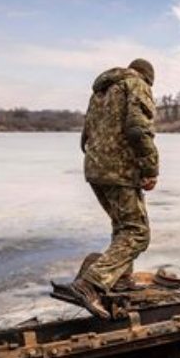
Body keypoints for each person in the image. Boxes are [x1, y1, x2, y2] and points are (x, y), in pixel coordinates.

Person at [66, 58, 159, 319]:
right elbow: (138, 129)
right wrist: (150, 169)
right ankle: (91, 283)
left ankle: (120, 278)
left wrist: (98, 161)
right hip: (119, 170)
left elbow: (85, 135)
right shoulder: (136, 84)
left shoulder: (101, 91)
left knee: (122, 226)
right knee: (137, 233)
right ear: (148, 77)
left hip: (95, 168)